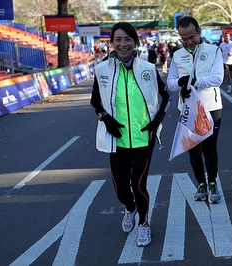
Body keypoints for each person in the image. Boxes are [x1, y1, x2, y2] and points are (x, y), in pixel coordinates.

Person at [90, 22, 172, 247]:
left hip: (144, 138)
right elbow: (94, 101)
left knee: (138, 185)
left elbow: (166, 97)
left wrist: (156, 122)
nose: (123, 44)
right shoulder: (102, 70)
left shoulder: (147, 68)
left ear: (135, 42)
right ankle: (130, 208)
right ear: (112, 43)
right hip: (116, 139)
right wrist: (105, 118)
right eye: (118, 39)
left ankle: (144, 224)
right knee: (120, 189)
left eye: (127, 39)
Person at [167, 16, 224, 204]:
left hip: (211, 107)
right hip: (187, 109)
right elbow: (170, 83)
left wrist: (193, 82)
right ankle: (201, 184)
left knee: (209, 149)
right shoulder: (176, 55)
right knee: (193, 150)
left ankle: (213, 183)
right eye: (183, 39)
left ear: (199, 32)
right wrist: (179, 82)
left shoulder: (214, 51)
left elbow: (217, 79)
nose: (188, 42)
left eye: (191, 37)